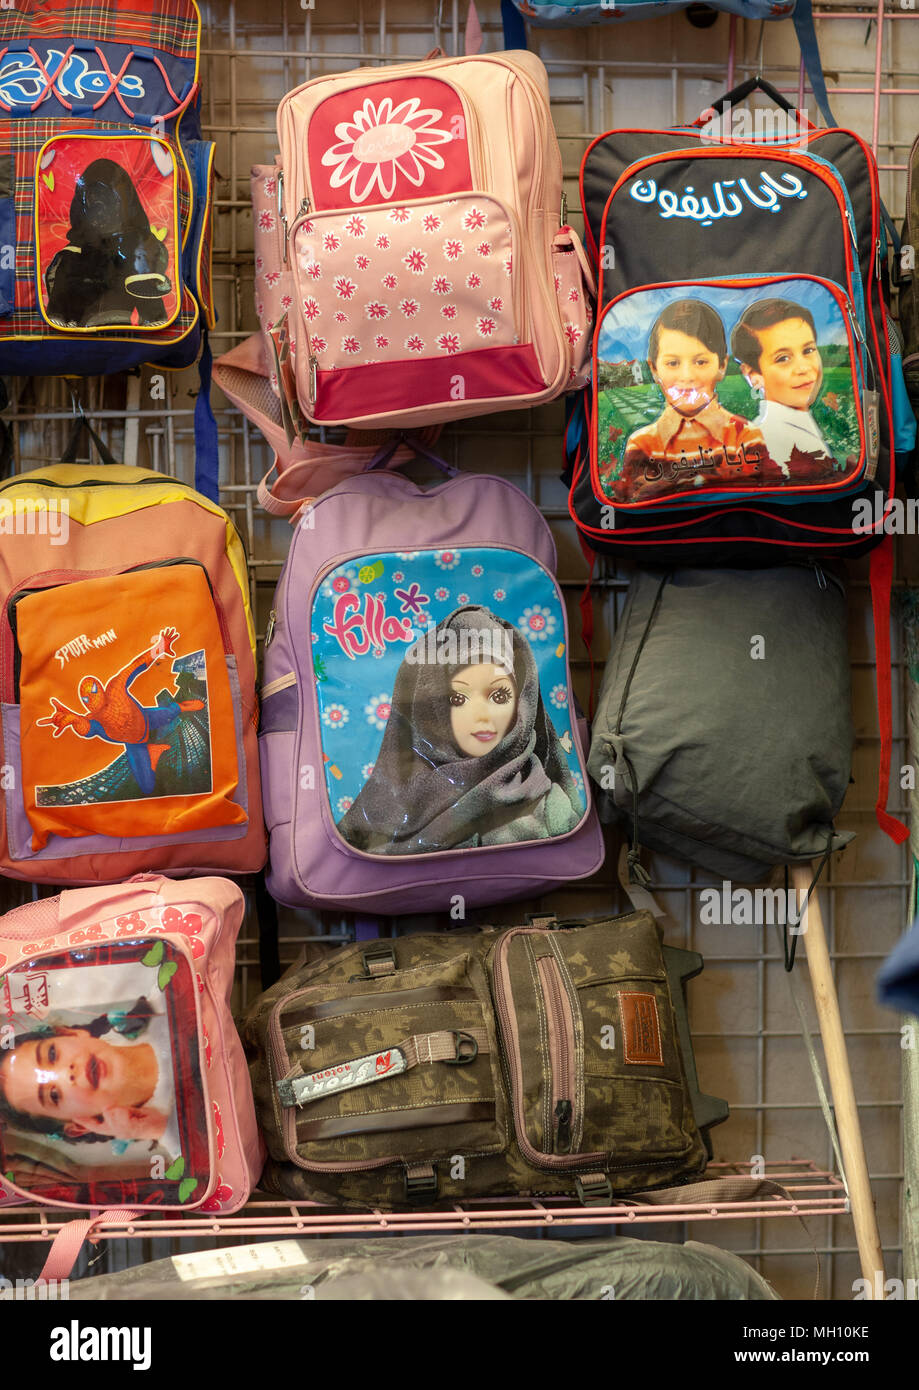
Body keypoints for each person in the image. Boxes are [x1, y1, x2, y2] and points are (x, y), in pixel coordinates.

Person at [336, 605, 584, 854]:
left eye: (499, 695)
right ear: (432, 711)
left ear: (522, 701)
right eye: (458, 698)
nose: (481, 714)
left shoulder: (547, 806)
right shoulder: (385, 806)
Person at [616, 298, 766, 501]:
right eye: (673, 363)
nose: (687, 376)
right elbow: (630, 502)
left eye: (701, 361)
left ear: (722, 366)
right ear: (654, 369)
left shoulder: (745, 436)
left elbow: (762, 497)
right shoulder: (642, 444)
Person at [36, 626, 204, 796]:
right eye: (85, 699)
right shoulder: (93, 719)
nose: (91, 699)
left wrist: (160, 647)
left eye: (93, 691)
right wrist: (72, 719)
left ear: (100, 688)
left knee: (170, 713)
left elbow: (136, 665)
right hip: (134, 743)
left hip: (145, 718)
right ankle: (153, 751)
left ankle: (181, 707)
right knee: (147, 787)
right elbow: (85, 727)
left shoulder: (115, 687)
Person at [0, 997, 169, 1146]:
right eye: (54, 1095)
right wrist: (162, 1129)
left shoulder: (166, 999)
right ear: (80, 1126)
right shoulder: (181, 1142)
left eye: (52, 1055)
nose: (67, 1074)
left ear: (73, 1034)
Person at [730, 297, 833, 474]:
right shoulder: (770, 443)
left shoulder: (799, 426)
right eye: (783, 358)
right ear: (753, 375)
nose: (803, 368)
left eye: (808, 350)